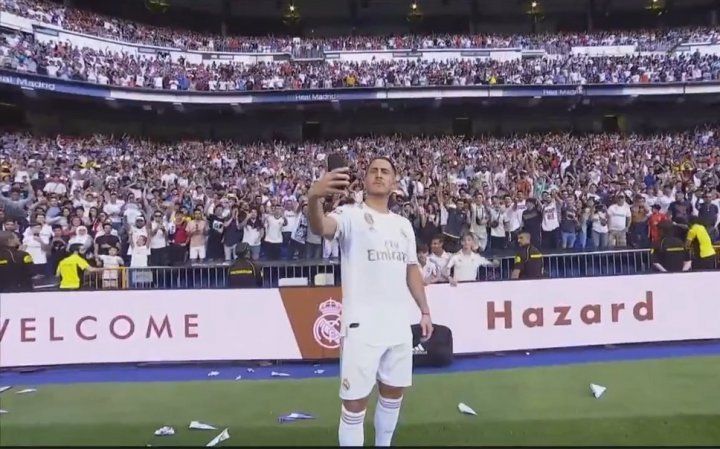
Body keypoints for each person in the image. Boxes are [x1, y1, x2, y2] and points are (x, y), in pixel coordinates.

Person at [307, 156, 433, 447]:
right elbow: (321, 228)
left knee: (393, 395)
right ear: (364, 180)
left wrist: (424, 310)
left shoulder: (403, 225)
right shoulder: (349, 214)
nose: (378, 175)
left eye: (385, 171)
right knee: (354, 405)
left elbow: (411, 268)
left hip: (398, 324)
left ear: (394, 183)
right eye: (373, 171)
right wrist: (314, 196)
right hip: (362, 326)